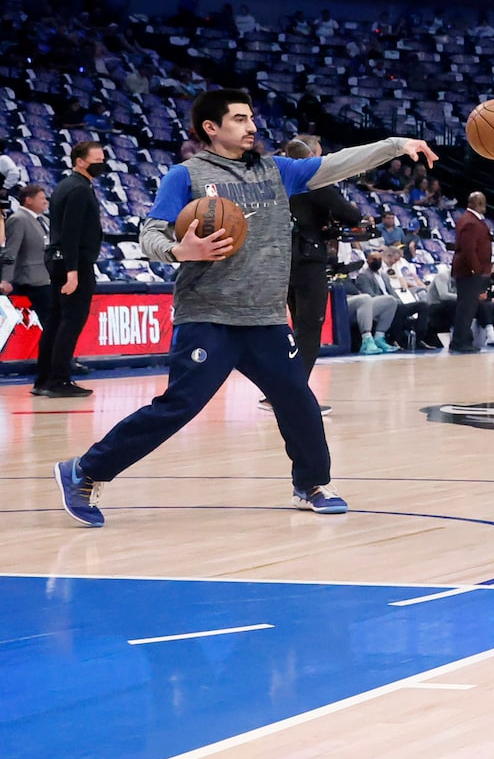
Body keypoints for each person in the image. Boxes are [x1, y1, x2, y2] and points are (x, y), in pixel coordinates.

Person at [53, 91, 433, 526]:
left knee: (297, 400)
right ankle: (84, 471)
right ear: (211, 129)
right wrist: (181, 249)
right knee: (180, 405)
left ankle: (311, 484)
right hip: (208, 314)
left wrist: (395, 146)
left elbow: (339, 163)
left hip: (266, 318)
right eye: (239, 119)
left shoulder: (278, 171)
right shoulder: (186, 175)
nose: (251, 126)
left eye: (251, 118)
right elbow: (150, 235)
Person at [283, 136, 363, 383]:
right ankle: (292, 393)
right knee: (309, 329)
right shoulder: (313, 182)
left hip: (285, 261)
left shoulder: (280, 182)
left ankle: (278, 391)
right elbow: (351, 215)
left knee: (295, 328)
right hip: (308, 261)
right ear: (309, 158)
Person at [36, 141, 105, 398]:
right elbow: (71, 232)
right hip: (73, 263)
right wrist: (73, 271)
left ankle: (43, 379)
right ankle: (58, 380)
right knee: (70, 321)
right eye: (97, 159)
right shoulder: (79, 189)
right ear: (80, 161)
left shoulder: (66, 185)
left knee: (55, 321)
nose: (102, 164)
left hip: (59, 260)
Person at [3, 185, 53, 371]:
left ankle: (59, 362)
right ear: (29, 200)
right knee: (51, 321)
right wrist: (6, 279)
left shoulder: (43, 220)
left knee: (56, 321)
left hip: (46, 277)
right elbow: (11, 251)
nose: (45, 201)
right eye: (42, 198)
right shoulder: (18, 220)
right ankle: (50, 365)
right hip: (30, 278)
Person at [449, 191, 493, 353]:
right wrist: (476, 270)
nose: (485, 206)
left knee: (468, 307)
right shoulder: (470, 222)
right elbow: (468, 249)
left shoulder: (472, 220)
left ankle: (464, 339)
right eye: (483, 203)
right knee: (466, 308)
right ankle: (460, 342)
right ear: (477, 204)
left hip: (470, 271)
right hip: (469, 272)